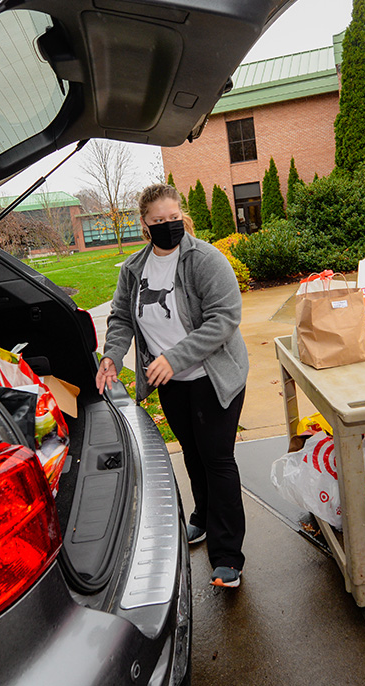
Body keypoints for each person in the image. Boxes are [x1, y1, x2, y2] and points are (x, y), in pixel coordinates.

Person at [97, 183, 250, 588]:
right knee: (193, 454)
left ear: (182, 216)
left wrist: (174, 358)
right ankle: (201, 517)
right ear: (145, 226)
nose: (169, 225)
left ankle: (228, 556)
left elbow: (224, 319)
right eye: (159, 221)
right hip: (170, 381)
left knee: (217, 459)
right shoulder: (134, 269)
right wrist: (112, 355)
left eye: (174, 218)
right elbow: (121, 318)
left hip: (213, 378)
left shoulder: (204, 260)